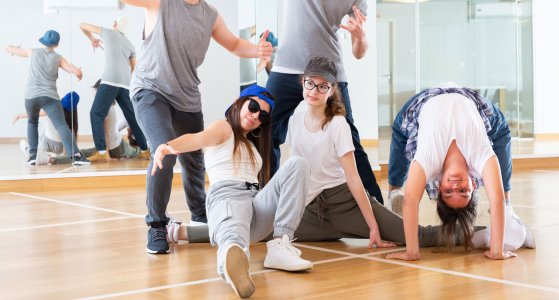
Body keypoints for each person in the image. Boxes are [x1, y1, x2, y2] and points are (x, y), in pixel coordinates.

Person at [165, 59, 451, 255]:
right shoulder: (295, 116)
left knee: (415, 234)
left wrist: (374, 226)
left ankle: (478, 235)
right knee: (258, 229)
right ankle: (184, 233)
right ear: (302, 84)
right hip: (311, 208)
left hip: (344, 203)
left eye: (323, 86)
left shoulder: (338, 123)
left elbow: (353, 178)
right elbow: (291, 171)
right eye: (310, 84)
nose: (315, 91)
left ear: (331, 91)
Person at [120, 0, 273, 254]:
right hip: (150, 90)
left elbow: (234, 44)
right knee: (165, 151)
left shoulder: (210, 15)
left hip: (186, 97)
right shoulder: (160, 3)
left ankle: (200, 215)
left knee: (194, 161)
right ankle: (157, 224)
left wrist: (257, 51)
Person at [152, 85, 312, 298]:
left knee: (298, 164)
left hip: (255, 203)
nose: (255, 115)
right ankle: (233, 262)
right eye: (253, 106)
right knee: (233, 236)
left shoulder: (253, 147)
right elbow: (197, 138)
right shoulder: (223, 128)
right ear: (240, 102)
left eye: (262, 115)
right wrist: (167, 145)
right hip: (227, 195)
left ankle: (280, 245)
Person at [385, 83, 535, 261]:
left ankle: (393, 191)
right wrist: (497, 251)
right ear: (473, 184)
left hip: (424, 100)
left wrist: (412, 252)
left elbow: (410, 200)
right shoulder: (479, 155)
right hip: (471, 99)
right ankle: (509, 214)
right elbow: (496, 199)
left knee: (399, 130)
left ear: (439, 187)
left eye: (448, 191)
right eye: (463, 191)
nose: (455, 186)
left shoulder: (429, 160)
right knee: (502, 131)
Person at [266, 0, 384, 203]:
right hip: (286, 66)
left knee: (350, 139)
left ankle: (376, 206)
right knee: (265, 131)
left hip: (329, 71)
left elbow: (359, 52)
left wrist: (360, 36)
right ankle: (267, 203)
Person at [5, 30, 90, 166]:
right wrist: (79, 74)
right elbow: (76, 71)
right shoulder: (58, 58)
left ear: (43, 41)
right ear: (56, 45)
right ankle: (76, 156)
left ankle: (33, 155)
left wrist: (13, 48)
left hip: (31, 96)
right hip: (50, 97)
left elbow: (8, 48)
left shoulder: (32, 52)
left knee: (32, 122)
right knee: (62, 125)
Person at [79, 17, 149, 162]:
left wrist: (92, 38)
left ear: (115, 25)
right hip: (125, 84)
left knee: (96, 113)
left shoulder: (108, 32)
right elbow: (134, 69)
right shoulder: (130, 44)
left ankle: (102, 152)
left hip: (110, 80)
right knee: (132, 118)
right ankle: (145, 150)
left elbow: (82, 25)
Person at [80, 80, 143, 160]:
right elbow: (112, 130)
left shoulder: (102, 110)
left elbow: (104, 134)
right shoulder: (110, 106)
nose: (94, 95)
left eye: (95, 91)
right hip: (118, 143)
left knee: (82, 153)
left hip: (114, 148)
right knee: (136, 152)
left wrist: (106, 155)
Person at [14, 91, 80, 165]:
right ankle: (53, 157)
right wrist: (67, 154)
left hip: (46, 143)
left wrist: (19, 115)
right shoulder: (72, 120)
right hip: (61, 148)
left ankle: (30, 151)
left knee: (43, 135)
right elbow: (71, 138)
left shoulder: (52, 109)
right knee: (67, 134)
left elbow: (34, 114)